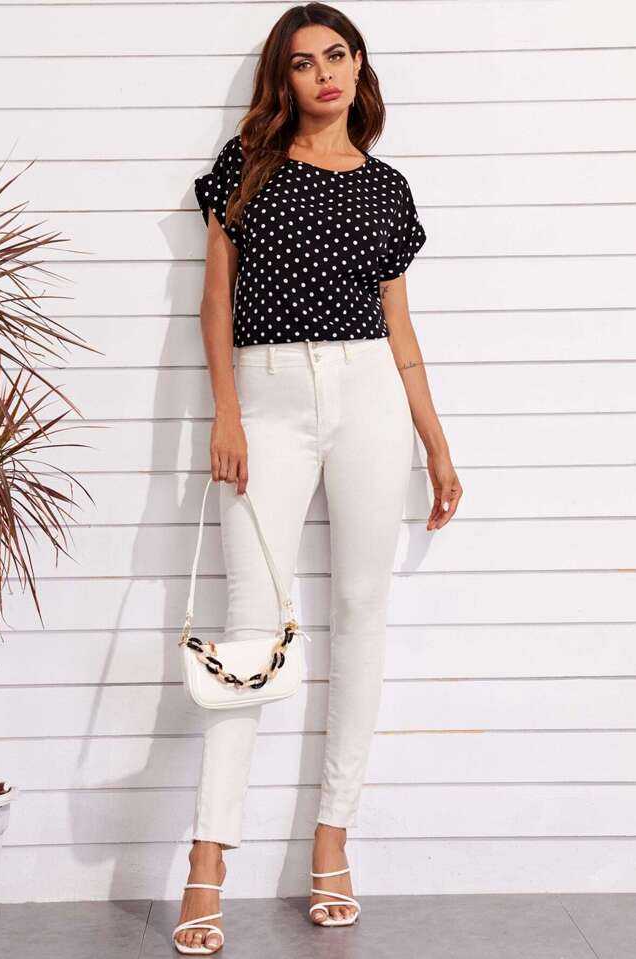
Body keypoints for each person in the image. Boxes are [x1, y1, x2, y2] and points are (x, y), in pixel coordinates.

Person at [173, 2, 462, 952]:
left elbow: (400, 330)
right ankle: (207, 861)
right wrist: (225, 411)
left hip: (370, 393)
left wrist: (435, 440)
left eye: (338, 55)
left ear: (359, 65)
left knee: (364, 610)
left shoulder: (387, 188)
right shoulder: (246, 167)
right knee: (251, 624)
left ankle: (332, 840)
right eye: (304, 63)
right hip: (265, 398)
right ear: (284, 79)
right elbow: (215, 301)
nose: (325, 73)